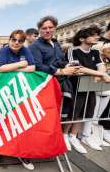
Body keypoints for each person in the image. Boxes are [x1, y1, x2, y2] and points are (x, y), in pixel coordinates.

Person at [29, 16, 81, 152]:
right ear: (40, 30)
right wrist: (61, 71)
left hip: (60, 84)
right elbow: (38, 66)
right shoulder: (35, 45)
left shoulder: (56, 43)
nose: (47, 30)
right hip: (45, 86)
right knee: (45, 117)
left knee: (58, 116)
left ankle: (54, 142)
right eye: (44, 28)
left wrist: (67, 65)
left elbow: (60, 60)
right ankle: (38, 146)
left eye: (50, 27)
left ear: (55, 28)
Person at [63, 27, 110, 154]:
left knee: (83, 113)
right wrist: (100, 74)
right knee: (72, 114)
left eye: (97, 35)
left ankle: (73, 137)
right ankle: (64, 135)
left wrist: (100, 74)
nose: (97, 37)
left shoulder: (95, 52)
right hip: (75, 88)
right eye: (93, 35)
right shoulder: (72, 50)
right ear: (82, 38)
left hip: (90, 88)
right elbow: (77, 68)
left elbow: (102, 68)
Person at [0, 29, 35, 170]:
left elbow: (33, 68)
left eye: (20, 40)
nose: (16, 43)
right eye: (14, 39)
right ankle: (3, 150)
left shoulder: (25, 50)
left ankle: (22, 153)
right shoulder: (4, 50)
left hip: (21, 91)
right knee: (4, 121)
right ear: (9, 39)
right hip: (4, 91)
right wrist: (21, 64)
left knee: (21, 121)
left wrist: (12, 69)